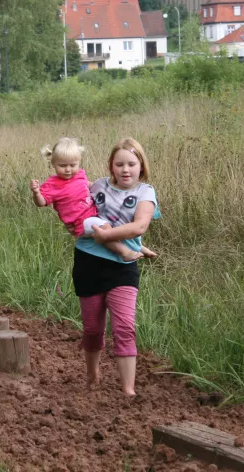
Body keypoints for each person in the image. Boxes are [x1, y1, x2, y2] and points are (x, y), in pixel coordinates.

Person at [73, 138, 158, 396]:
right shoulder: (96, 186)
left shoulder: (145, 192)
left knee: (124, 327)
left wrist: (106, 236)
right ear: (111, 166)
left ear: (141, 166)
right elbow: (73, 205)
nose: (125, 169)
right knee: (92, 329)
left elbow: (140, 226)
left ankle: (128, 390)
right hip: (88, 262)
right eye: (119, 164)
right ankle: (92, 376)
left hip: (123, 266)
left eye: (131, 164)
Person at [30, 137, 154, 262]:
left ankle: (138, 247)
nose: (68, 170)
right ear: (53, 164)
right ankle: (124, 251)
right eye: (62, 166)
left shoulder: (79, 175)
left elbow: (87, 186)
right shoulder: (52, 184)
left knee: (111, 225)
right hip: (80, 221)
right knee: (103, 229)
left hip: (91, 214)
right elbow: (42, 202)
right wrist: (36, 193)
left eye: (73, 165)